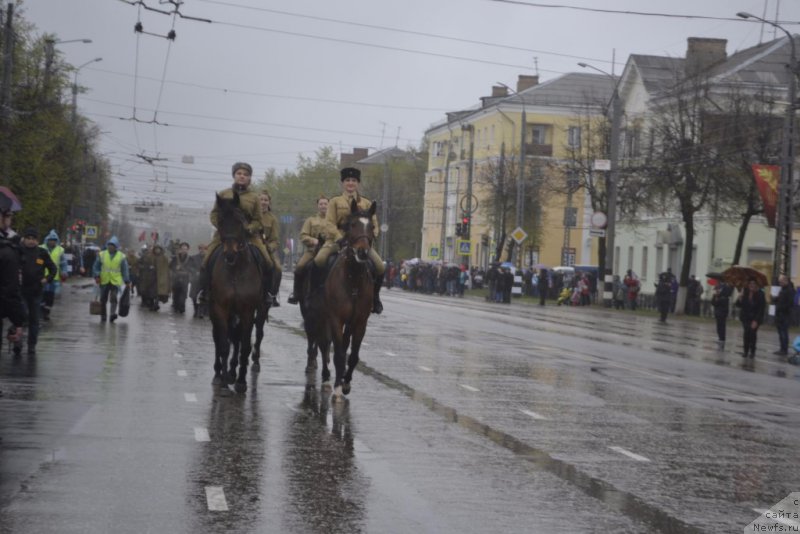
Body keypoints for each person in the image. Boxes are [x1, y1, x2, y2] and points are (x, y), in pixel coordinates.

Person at [196, 162, 273, 303]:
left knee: (268, 261)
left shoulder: (254, 197)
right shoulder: (223, 194)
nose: (242, 176)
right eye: (239, 174)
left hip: (249, 237)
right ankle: (204, 291)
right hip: (224, 236)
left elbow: (258, 220)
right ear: (234, 176)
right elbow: (214, 214)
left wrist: (249, 228)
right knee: (206, 260)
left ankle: (266, 294)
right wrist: (221, 227)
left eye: (245, 174)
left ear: (249, 178)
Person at [314, 167, 385, 314]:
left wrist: (370, 238)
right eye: (347, 180)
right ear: (342, 183)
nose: (350, 183)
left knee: (379, 266)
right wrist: (339, 238)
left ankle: (375, 298)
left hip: (360, 241)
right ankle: (319, 294)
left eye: (353, 181)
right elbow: (329, 223)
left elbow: (374, 225)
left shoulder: (366, 203)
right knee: (320, 260)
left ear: (358, 183)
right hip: (337, 239)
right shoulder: (334, 201)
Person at [287, 196, 337, 305]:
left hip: (330, 250)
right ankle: (297, 294)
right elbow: (303, 235)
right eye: (321, 204)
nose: (323, 206)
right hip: (313, 251)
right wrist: (312, 240)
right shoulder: (310, 220)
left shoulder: (334, 220)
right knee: (300, 267)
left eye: (325, 204)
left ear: (329, 206)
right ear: (317, 206)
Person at [19, 228, 56, 354]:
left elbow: (53, 268)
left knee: (34, 319)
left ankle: (31, 345)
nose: (30, 241)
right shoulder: (18, 251)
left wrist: (47, 279)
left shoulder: (42, 253)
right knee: (20, 316)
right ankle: (17, 342)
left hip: (36, 291)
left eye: (33, 239)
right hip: (20, 290)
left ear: (37, 240)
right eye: (28, 238)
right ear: (24, 239)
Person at [0, 200, 26, 359]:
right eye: (8, 215)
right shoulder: (8, 250)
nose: (10, 220)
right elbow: (10, 288)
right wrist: (18, 321)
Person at [92, 236, 131, 323]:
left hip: (115, 281)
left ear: (116, 247)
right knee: (103, 299)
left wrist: (127, 280)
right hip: (104, 280)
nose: (110, 247)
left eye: (112, 245)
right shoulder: (102, 254)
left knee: (113, 298)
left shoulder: (121, 256)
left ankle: (112, 314)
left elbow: (125, 270)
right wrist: (97, 275)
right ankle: (103, 316)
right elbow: (96, 266)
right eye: (109, 245)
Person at [258, 189, 282, 306]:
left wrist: (270, 247)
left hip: (266, 249)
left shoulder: (273, 219)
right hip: (250, 246)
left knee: (277, 268)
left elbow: (275, 240)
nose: (263, 202)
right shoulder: (250, 215)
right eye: (261, 199)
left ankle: (272, 294)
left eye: (266, 200)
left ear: (269, 202)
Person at [41, 229, 68, 321]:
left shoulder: (60, 250)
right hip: (42, 277)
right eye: (51, 240)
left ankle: (46, 312)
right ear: (47, 240)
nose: (52, 242)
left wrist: (64, 272)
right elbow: (36, 260)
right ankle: (42, 311)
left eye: (54, 240)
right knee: (42, 295)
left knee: (51, 296)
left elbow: (63, 263)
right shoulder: (41, 248)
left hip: (54, 277)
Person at [735, 278, 766, 358]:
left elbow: (761, 309)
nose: (752, 285)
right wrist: (740, 298)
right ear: (748, 285)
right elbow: (738, 305)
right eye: (750, 283)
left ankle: (752, 352)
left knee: (752, 334)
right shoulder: (745, 292)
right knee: (746, 334)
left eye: (753, 283)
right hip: (745, 317)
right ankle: (745, 351)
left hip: (755, 318)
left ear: (756, 285)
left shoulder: (760, 294)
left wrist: (756, 321)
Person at [773, 274, 795, 356]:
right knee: (780, 332)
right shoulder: (782, 290)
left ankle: (784, 350)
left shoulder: (789, 290)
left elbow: (789, 303)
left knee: (783, 332)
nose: (780, 283)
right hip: (779, 314)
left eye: (781, 282)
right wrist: (775, 299)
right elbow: (780, 300)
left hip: (785, 315)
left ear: (786, 281)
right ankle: (782, 348)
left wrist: (781, 308)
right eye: (779, 282)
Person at [169, 242, 193, 314]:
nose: (184, 250)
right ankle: (176, 306)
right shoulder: (175, 258)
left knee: (183, 294)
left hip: (185, 278)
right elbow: (170, 266)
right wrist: (175, 267)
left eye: (185, 249)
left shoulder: (190, 259)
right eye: (182, 249)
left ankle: (182, 307)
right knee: (176, 294)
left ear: (188, 249)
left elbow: (193, 268)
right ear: (180, 249)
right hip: (176, 278)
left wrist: (189, 269)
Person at [711, 281, 733, 351]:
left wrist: (718, 299)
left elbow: (723, 302)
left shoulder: (725, 293)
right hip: (717, 312)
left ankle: (722, 339)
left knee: (722, 326)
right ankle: (720, 338)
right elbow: (713, 303)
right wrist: (715, 297)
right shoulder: (716, 294)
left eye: (717, 288)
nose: (716, 289)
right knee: (718, 326)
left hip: (722, 312)